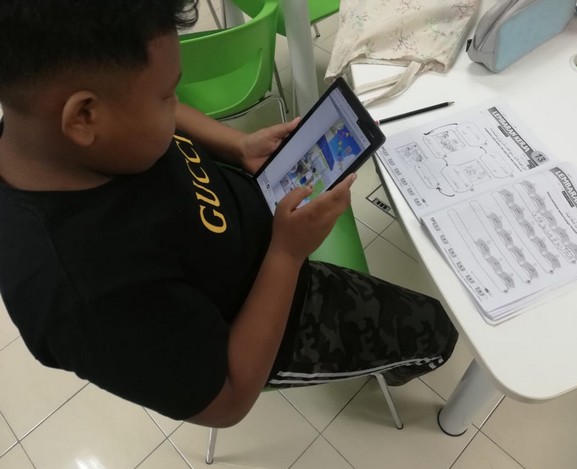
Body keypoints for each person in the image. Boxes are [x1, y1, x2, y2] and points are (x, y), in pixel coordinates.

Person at [0, 0, 458, 428]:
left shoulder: (38, 130)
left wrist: (235, 145)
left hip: (264, 231)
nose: (175, 105)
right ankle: (396, 366)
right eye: (166, 96)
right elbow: (228, 401)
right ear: (83, 117)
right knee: (437, 332)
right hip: (281, 320)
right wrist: (286, 254)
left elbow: (161, 116)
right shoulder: (83, 299)